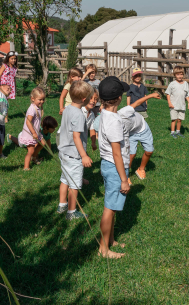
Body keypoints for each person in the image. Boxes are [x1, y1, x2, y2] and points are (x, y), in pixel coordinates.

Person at [97, 76, 131, 259]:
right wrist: (124, 180)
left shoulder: (105, 114)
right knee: (109, 208)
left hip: (108, 165)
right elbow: (117, 153)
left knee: (112, 206)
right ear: (118, 98)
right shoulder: (114, 122)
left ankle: (110, 240)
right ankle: (104, 249)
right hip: (115, 167)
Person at [57, 81, 94, 220]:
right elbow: (76, 137)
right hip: (74, 155)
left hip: (64, 152)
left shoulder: (67, 109)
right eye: (90, 97)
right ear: (84, 99)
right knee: (74, 185)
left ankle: (62, 205)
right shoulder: (78, 114)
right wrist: (83, 155)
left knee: (64, 179)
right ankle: (71, 213)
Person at [118, 92, 161, 181]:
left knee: (149, 151)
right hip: (131, 134)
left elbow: (137, 103)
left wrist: (151, 95)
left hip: (143, 128)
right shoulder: (118, 130)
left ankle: (141, 169)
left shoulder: (123, 112)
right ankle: (125, 176)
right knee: (131, 154)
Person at [17, 87, 47, 171]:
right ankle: (26, 167)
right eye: (40, 99)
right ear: (32, 99)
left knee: (43, 143)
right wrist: (34, 132)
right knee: (30, 150)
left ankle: (34, 156)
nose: (42, 101)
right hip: (30, 133)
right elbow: (28, 122)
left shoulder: (37, 107)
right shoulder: (32, 109)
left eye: (43, 99)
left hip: (35, 132)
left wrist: (38, 129)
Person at [165, 66, 189, 138]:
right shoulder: (172, 84)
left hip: (182, 105)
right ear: (174, 75)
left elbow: (187, 94)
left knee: (179, 120)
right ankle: (172, 132)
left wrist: (188, 102)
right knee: (174, 119)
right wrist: (169, 103)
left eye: (181, 74)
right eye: (178, 74)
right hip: (174, 105)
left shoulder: (185, 83)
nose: (180, 76)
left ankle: (178, 132)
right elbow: (168, 94)